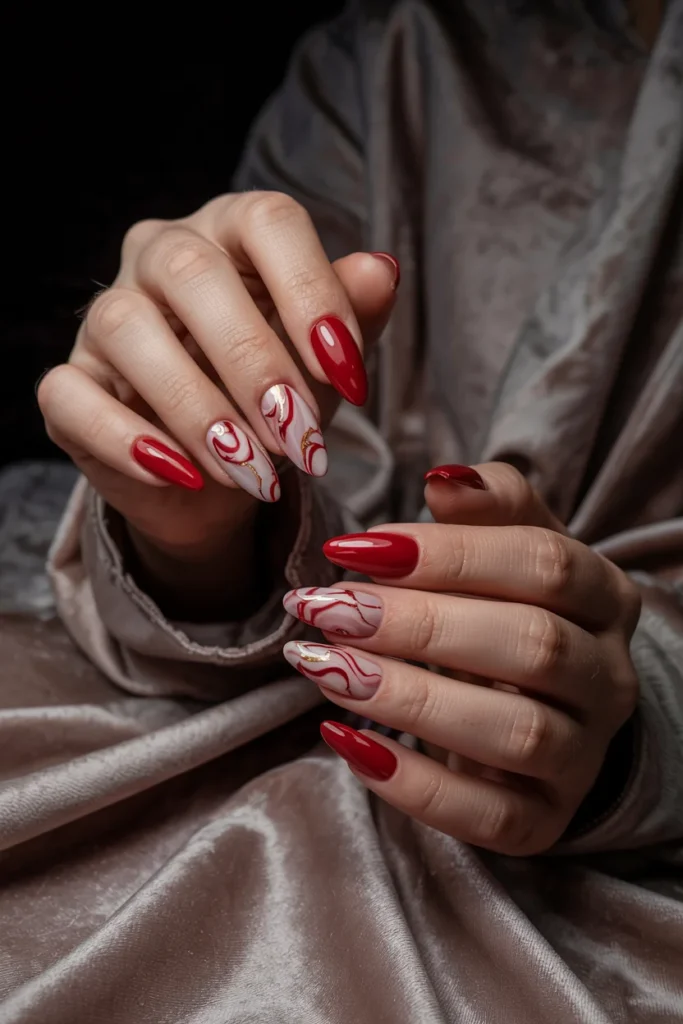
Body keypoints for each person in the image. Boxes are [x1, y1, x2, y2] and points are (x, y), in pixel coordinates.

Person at [2, 0, 682, 1020]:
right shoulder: (386, 55)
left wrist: (634, 715)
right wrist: (192, 525)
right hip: (244, 711)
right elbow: (308, 535)